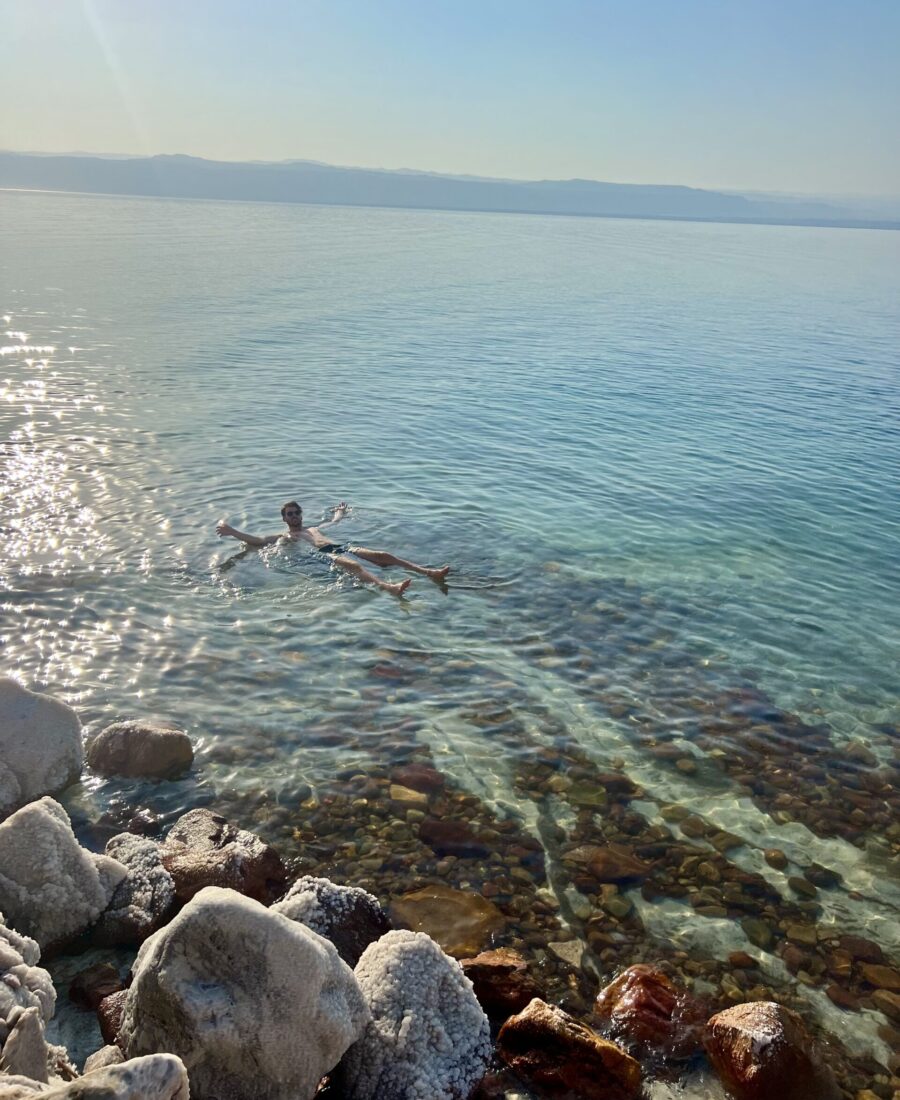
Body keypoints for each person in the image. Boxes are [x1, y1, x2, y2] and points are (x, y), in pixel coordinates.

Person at [216, 501, 450, 596]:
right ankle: (389, 588)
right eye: (290, 514)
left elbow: (334, 522)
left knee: (383, 556)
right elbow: (256, 540)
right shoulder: (284, 536)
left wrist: (340, 511)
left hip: (340, 546)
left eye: (297, 512)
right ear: (284, 519)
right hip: (322, 555)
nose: (295, 516)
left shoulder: (314, 527)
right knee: (354, 566)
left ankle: (429, 572)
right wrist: (231, 530)